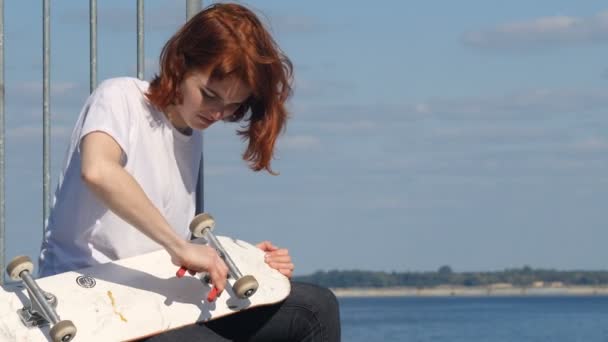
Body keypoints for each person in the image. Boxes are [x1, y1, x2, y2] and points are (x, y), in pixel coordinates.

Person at [38, 3, 340, 341]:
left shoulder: (190, 137)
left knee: (316, 308)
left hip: (159, 302)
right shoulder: (119, 96)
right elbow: (97, 170)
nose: (217, 113)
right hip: (88, 302)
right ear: (180, 64)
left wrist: (246, 259)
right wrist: (179, 247)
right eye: (209, 95)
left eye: (232, 106)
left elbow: (177, 244)